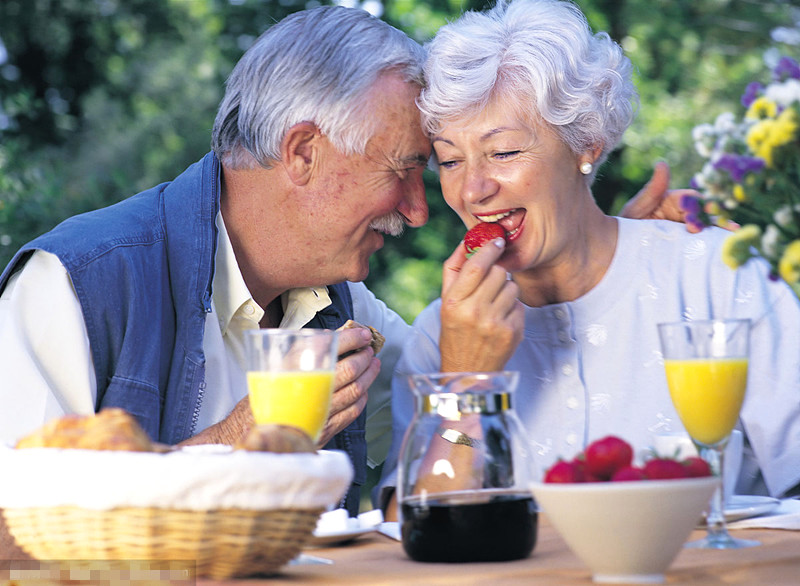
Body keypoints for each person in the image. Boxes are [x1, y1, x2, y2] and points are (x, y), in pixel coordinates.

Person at [0, 2, 685, 541]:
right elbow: (12, 535)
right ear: (302, 153)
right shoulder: (76, 283)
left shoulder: (347, 309)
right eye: (405, 169)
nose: (421, 211)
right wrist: (244, 435)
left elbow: (428, 479)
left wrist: (600, 249)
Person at [378, 0, 800, 517]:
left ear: (588, 144)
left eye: (504, 151)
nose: (473, 189)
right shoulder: (439, 338)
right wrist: (465, 387)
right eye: (449, 160)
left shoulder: (718, 280)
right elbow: (412, 537)